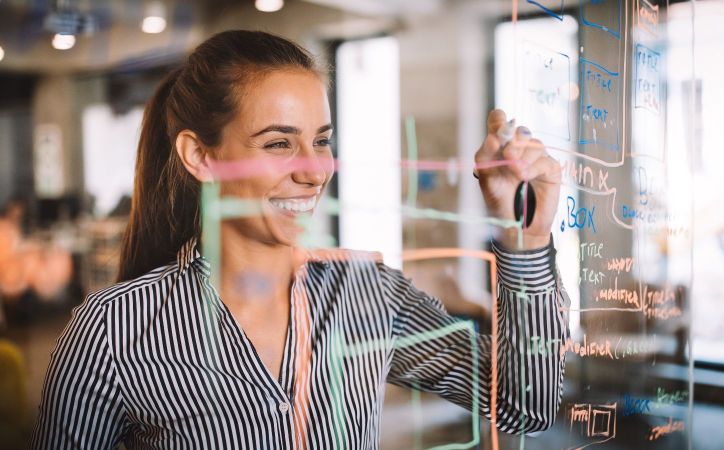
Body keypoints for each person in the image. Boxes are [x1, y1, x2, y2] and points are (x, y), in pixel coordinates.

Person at [31, 30, 568, 449]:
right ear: (201, 156)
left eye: (321, 141)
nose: (314, 172)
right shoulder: (112, 330)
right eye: (279, 143)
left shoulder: (367, 294)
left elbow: (525, 405)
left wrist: (525, 238)